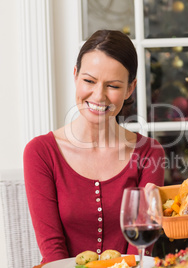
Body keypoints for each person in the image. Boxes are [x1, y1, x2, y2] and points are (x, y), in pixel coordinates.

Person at [23, 30, 165, 264]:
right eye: (89, 81)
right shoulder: (40, 152)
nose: (99, 96)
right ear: (76, 75)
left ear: (130, 88)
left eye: (113, 86)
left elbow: (139, 252)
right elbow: (53, 251)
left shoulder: (149, 153)